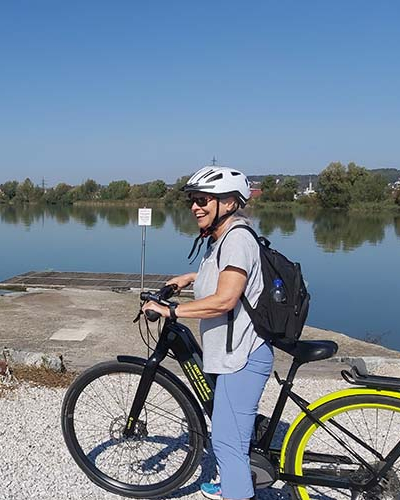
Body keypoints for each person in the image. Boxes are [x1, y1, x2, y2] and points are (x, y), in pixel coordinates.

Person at [141, 165, 273, 500]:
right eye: (193, 200)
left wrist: (172, 310)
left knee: (227, 444)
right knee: (232, 436)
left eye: (203, 200)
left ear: (228, 203)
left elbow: (226, 299)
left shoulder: (237, 240)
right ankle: (234, 481)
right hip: (232, 354)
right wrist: (188, 279)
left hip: (242, 357)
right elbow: (221, 278)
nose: (195, 207)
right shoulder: (223, 237)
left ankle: (237, 490)